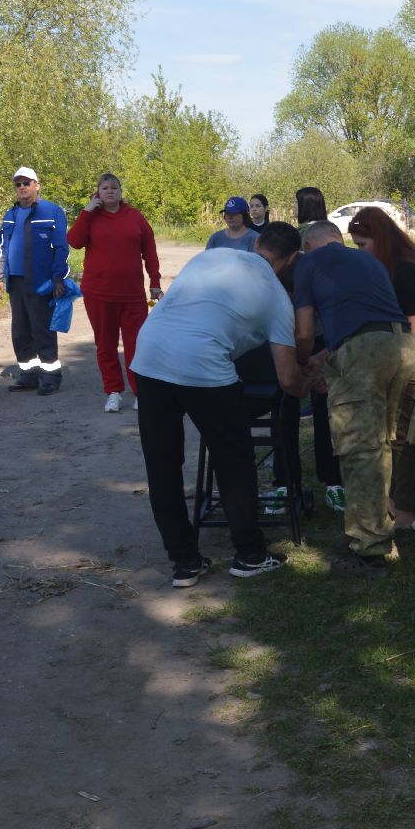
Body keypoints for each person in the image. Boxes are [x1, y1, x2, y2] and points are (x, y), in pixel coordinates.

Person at [130, 221, 310, 586]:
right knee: (234, 460)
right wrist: (312, 384)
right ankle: (250, 555)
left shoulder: (209, 257)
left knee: (162, 464)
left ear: (257, 242)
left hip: (148, 354)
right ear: (294, 258)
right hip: (204, 363)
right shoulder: (276, 296)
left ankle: (184, 562)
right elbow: (288, 379)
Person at [295, 221, 415, 576]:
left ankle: (370, 551)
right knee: (381, 442)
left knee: (359, 449)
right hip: (400, 345)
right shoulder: (367, 261)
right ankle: (372, 528)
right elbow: (365, 321)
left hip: (365, 352)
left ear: (309, 243)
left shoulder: (308, 263)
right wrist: (326, 359)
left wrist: (303, 362)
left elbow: (304, 331)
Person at [347, 206, 415, 523]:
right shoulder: (379, 266)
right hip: (390, 354)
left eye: (362, 246)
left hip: (407, 356)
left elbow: (412, 325)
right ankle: (387, 502)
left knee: (401, 434)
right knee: (384, 431)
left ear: (379, 238)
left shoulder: (404, 268)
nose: (360, 253)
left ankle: (405, 508)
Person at [67, 172, 161, 414]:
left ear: (121, 192)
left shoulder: (135, 217)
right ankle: (113, 392)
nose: (110, 191)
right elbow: (74, 241)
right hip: (99, 294)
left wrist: (155, 281)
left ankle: (141, 392)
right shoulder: (91, 217)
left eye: (114, 187)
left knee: (137, 345)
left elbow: (149, 249)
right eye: (105, 188)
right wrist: (87, 210)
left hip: (132, 295)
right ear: (98, 192)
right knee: (105, 345)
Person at [0, 166, 69, 395]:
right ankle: (29, 374)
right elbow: (1, 248)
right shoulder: (10, 214)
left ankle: (50, 376)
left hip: (41, 281)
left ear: (37, 185)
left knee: (42, 329)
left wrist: (58, 279)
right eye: (18, 184)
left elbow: (61, 248)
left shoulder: (52, 211)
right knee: (20, 330)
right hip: (16, 282)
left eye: (27, 183)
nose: (22, 188)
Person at [293, 185, 341, 493]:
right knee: (329, 404)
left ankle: (327, 473)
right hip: (335, 326)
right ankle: (332, 475)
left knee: (321, 399)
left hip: (312, 326)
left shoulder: (302, 237)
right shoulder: (333, 233)